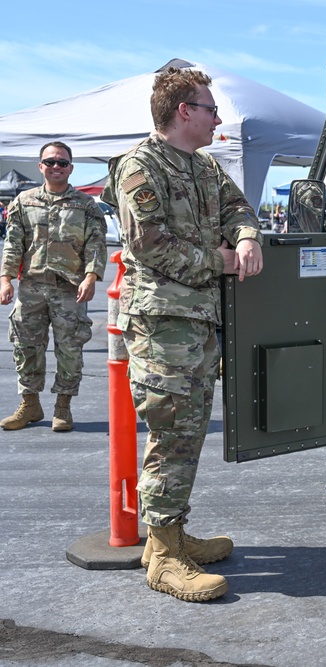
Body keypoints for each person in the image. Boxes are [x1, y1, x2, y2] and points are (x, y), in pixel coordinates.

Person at [102, 66, 263, 603]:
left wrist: (245, 237)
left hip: (196, 320)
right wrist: (221, 260)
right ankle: (165, 558)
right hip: (162, 324)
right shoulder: (140, 166)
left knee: (188, 431)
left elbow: (237, 207)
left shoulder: (204, 166)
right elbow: (149, 245)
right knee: (171, 432)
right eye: (210, 109)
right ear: (184, 111)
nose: (217, 119)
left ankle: (167, 536)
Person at [0, 142, 107, 432]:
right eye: (50, 162)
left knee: (70, 349)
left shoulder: (86, 205)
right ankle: (30, 405)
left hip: (69, 290)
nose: (56, 167)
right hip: (31, 288)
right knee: (26, 347)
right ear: (41, 166)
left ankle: (63, 407)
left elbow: (96, 244)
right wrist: (5, 278)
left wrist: (91, 277)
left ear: (71, 168)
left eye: (62, 162)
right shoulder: (24, 201)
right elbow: (13, 243)